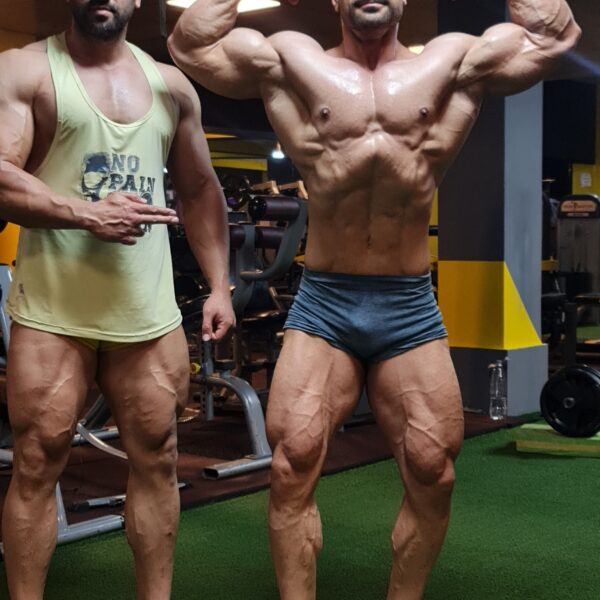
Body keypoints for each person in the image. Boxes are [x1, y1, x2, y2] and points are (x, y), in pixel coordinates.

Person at [168, 0, 580, 598]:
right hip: (326, 302)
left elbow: (554, 38)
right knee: (291, 461)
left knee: (434, 471)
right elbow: (191, 44)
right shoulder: (293, 60)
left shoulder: (452, 61)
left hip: (407, 306)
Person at [0, 0, 234, 598]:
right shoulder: (25, 70)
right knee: (36, 460)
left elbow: (200, 188)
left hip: (146, 313)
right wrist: (86, 212)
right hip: (54, 313)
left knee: (159, 456)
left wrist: (220, 286)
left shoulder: (171, 86)